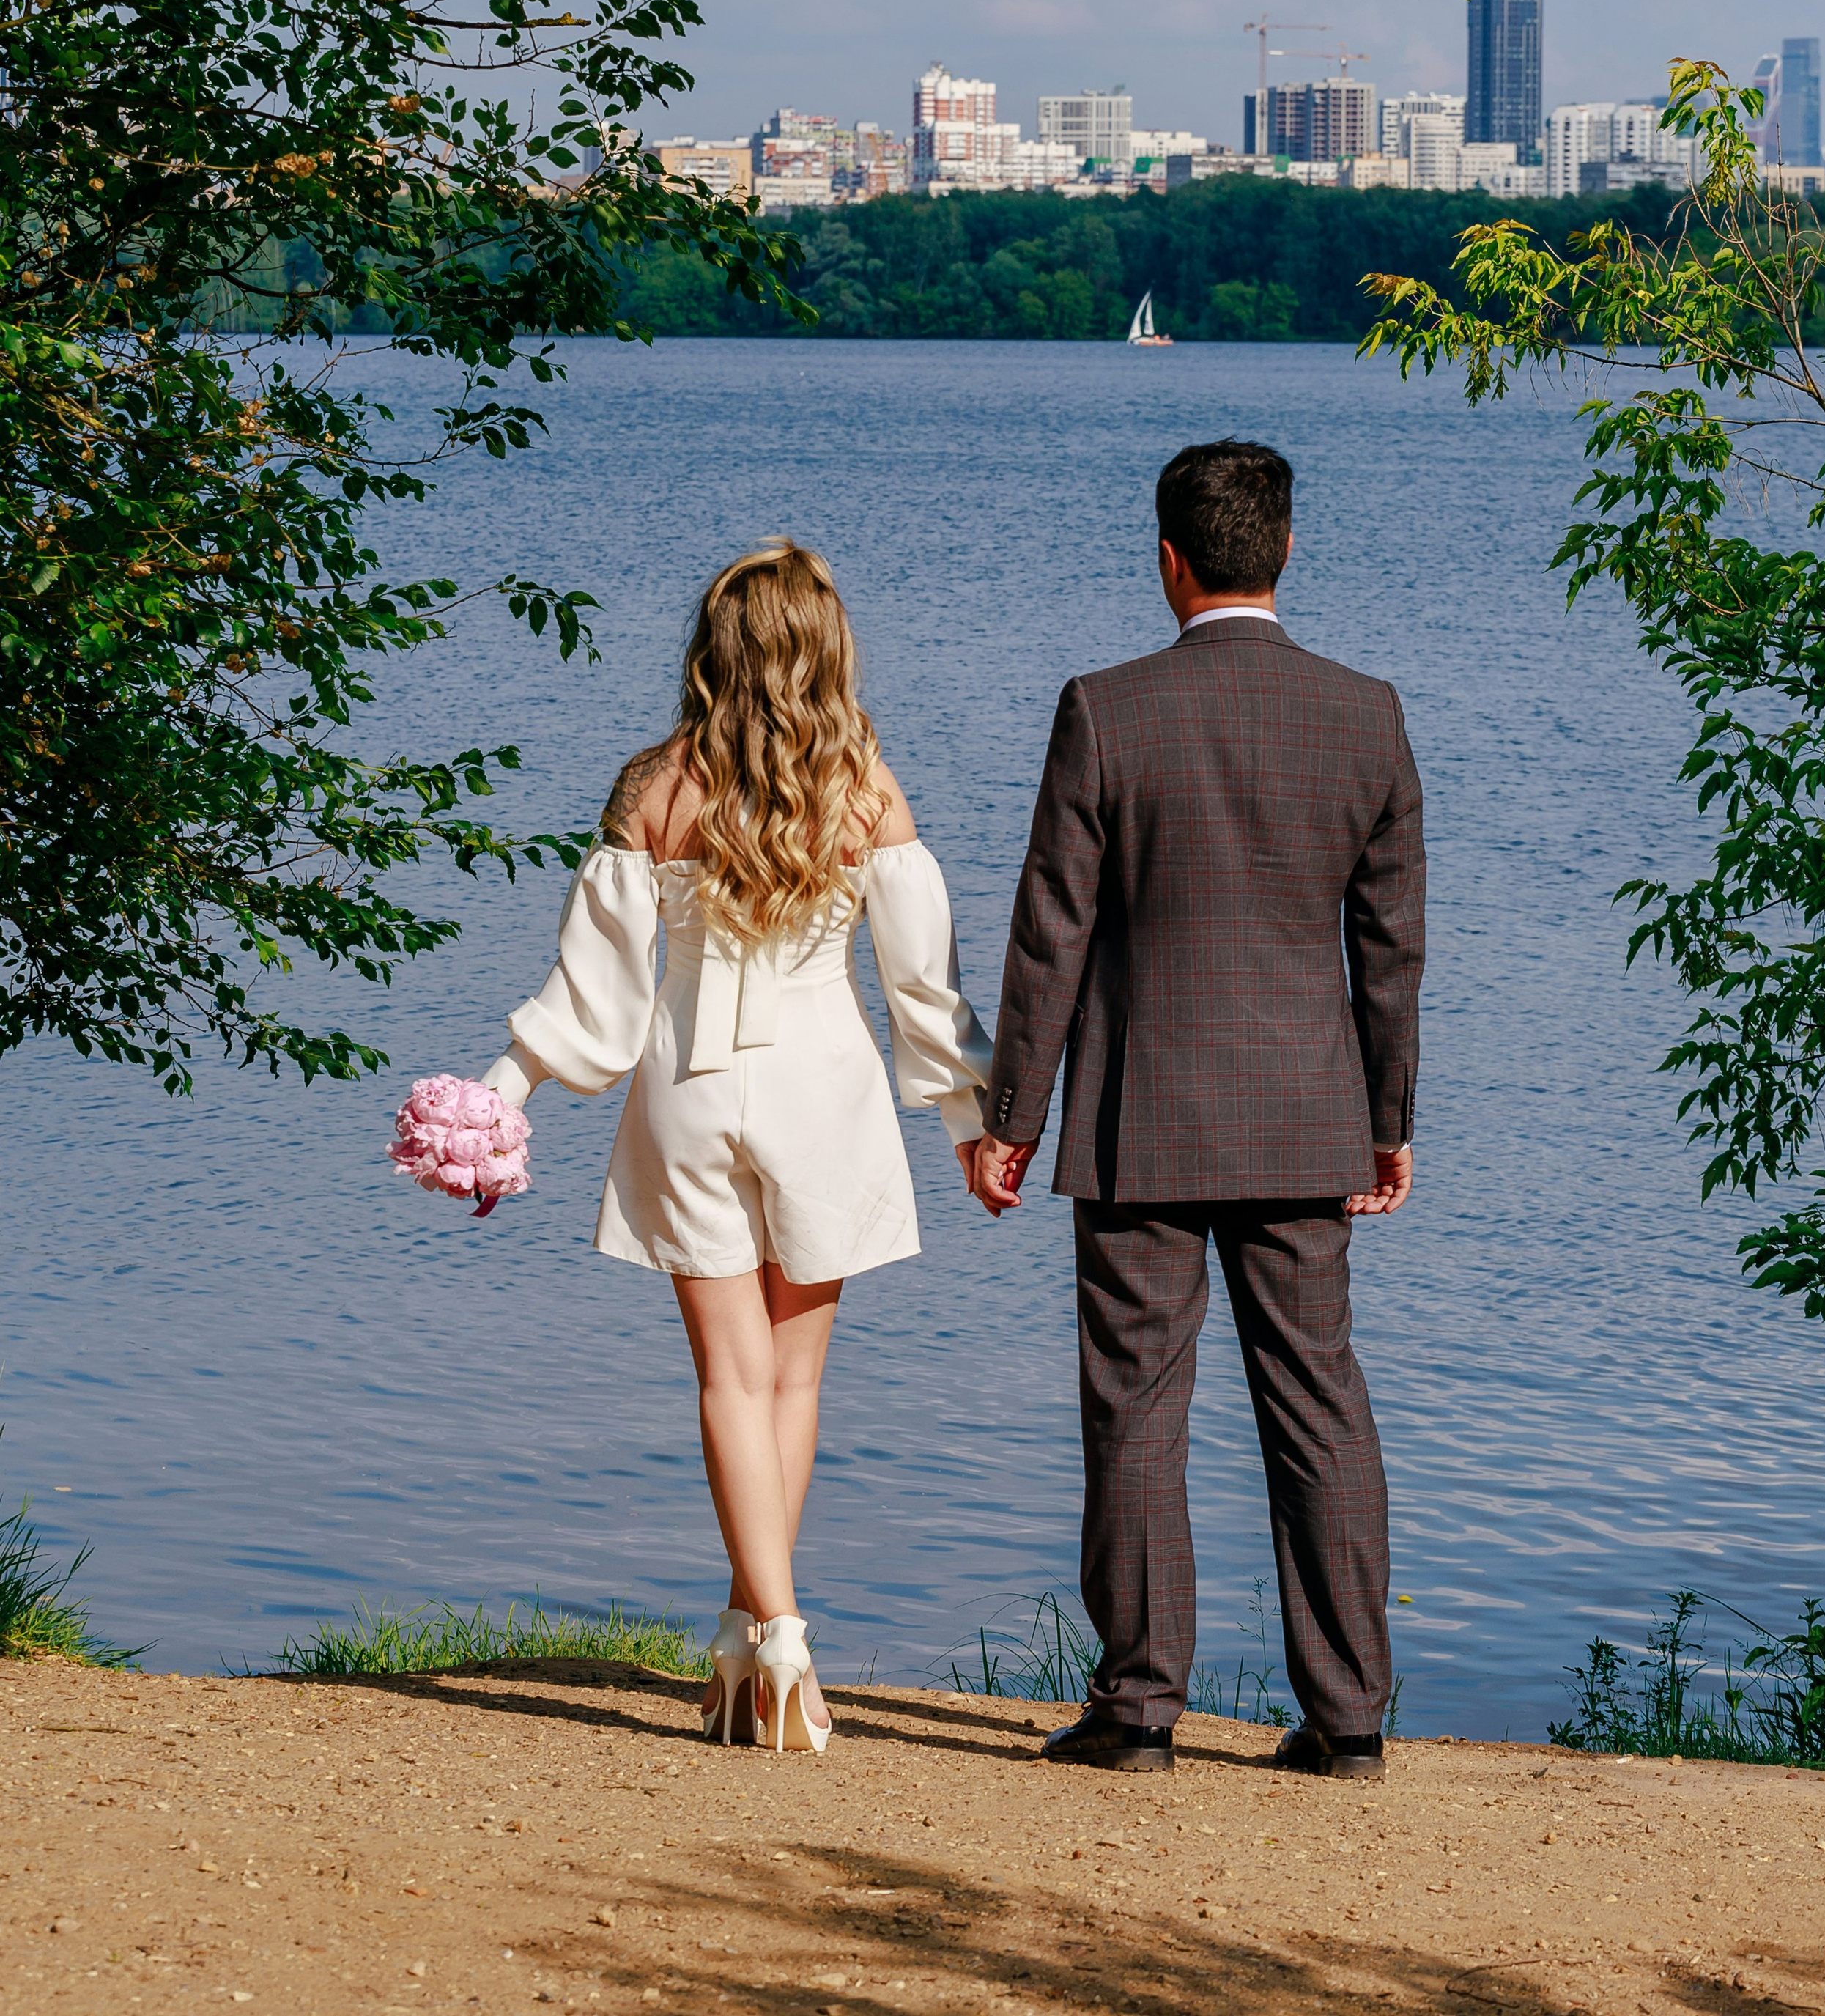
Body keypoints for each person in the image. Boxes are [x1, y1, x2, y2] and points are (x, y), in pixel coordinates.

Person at [481, 540, 991, 1752]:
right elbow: (924, 989)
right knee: (793, 1381)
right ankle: (786, 1643)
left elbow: (595, 994)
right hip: (824, 1093)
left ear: (713, 646)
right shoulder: (864, 787)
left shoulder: (656, 784)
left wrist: (506, 1087)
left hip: (688, 1089)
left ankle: (746, 1635)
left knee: (730, 1378)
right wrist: (972, 1125)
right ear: (827, 647)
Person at [970, 438, 1424, 1781]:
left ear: (1170, 560)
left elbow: (1049, 934)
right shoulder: (1367, 713)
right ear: (1285, 549)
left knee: (1135, 1408)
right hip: (1305, 1117)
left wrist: (1012, 1115)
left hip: (1139, 1118)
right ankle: (1349, 1718)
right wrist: (1388, 1116)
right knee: (1319, 1402)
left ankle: (1137, 1710)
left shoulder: (1105, 710)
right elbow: (1391, 948)